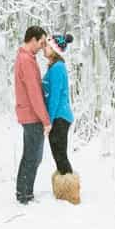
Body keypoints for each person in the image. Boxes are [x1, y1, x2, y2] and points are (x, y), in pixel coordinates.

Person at [13, 26, 51, 204]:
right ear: (33, 39)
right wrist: (45, 120)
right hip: (31, 115)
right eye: (41, 42)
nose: (42, 46)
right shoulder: (26, 61)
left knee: (31, 155)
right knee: (33, 156)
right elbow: (34, 93)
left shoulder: (25, 58)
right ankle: (24, 195)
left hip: (28, 113)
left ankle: (24, 193)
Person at [43, 34, 75, 177]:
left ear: (55, 50)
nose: (45, 48)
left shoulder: (57, 68)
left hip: (59, 117)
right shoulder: (55, 67)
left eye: (48, 47)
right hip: (59, 116)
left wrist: (48, 121)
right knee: (59, 155)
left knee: (60, 156)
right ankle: (66, 185)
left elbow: (55, 96)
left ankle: (70, 189)